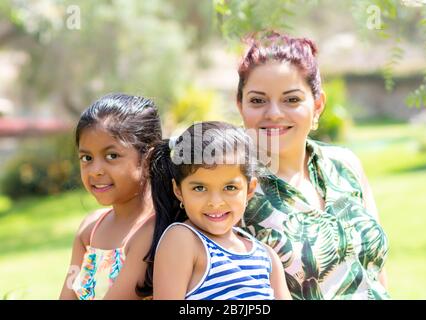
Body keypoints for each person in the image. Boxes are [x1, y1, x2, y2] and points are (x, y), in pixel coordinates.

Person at [235, 31, 390, 300]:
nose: (274, 113)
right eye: (258, 100)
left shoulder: (345, 164)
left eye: (291, 99)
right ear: (240, 106)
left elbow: (375, 272)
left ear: (317, 105)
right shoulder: (229, 186)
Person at [139, 121, 291, 300]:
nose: (215, 202)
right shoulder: (183, 240)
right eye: (200, 188)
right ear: (178, 191)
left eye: (230, 188)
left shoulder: (267, 257)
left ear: (250, 189)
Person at [59, 93, 161, 300]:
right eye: (86, 158)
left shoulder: (153, 230)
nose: (95, 170)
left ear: (148, 159)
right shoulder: (90, 229)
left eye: (111, 156)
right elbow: (67, 296)